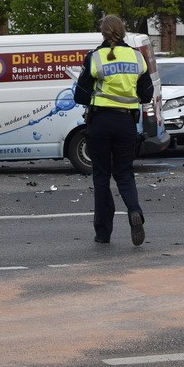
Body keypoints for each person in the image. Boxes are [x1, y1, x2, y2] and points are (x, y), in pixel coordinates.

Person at [73, 15, 153, 246]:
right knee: (124, 174)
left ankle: (103, 233)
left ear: (103, 33)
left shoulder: (95, 57)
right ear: (123, 31)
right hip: (125, 123)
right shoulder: (137, 57)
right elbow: (147, 94)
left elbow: (80, 95)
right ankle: (134, 211)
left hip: (99, 122)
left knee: (101, 177)